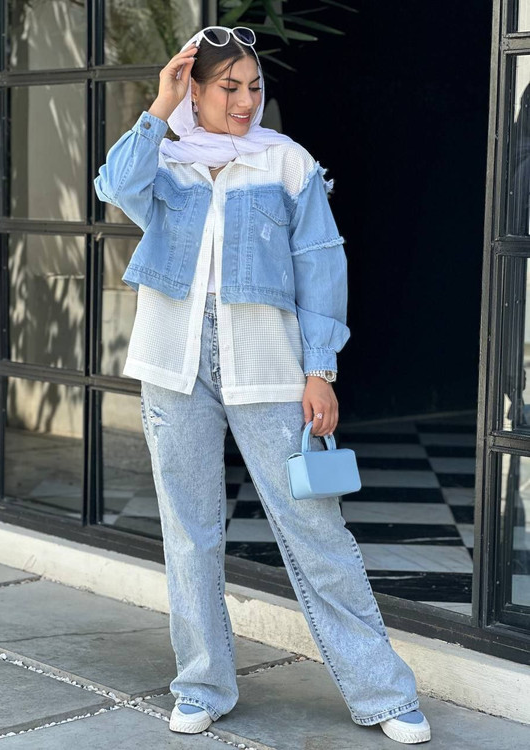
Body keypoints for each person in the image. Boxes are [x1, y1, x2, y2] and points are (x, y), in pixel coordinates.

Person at [94, 25, 431, 745]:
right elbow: (114, 186)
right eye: (228, 88)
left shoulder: (285, 162)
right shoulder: (163, 160)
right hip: (173, 365)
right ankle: (201, 684)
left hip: (270, 367)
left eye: (254, 86)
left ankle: (383, 691)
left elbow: (322, 266)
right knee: (189, 532)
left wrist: (319, 370)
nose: (246, 101)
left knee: (315, 529)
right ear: (195, 89)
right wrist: (159, 105)